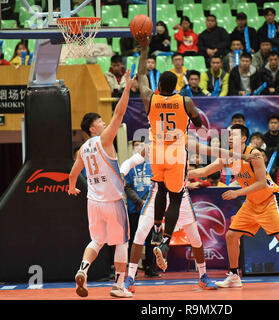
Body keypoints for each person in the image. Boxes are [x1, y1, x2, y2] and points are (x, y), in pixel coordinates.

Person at [188, 124, 279, 289]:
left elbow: (261, 184)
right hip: (251, 202)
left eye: (233, 136)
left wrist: (237, 193)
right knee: (231, 236)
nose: (229, 138)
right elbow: (206, 170)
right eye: (228, 136)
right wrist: (187, 173)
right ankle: (235, 276)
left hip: (268, 200)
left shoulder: (254, 154)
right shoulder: (229, 156)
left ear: (244, 138)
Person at [134, 32, 204, 271]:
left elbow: (141, 75)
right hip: (177, 153)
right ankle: (164, 240)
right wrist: (195, 121)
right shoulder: (185, 101)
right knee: (175, 197)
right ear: (176, 86)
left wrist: (144, 48)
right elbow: (199, 123)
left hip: (158, 151)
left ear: (160, 85)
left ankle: (156, 228)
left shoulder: (150, 98)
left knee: (160, 188)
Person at [67, 70, 134, 298]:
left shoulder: (83, 149)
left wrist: (72, 186)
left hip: (93, 202)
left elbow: (73, 173)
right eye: (100, 122)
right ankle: (118, 286)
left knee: (96, 240)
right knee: (121, 242)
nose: (105, 123)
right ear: (93, 129)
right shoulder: (104, 140)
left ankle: (82, 269)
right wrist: (126, 88)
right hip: (113, 202)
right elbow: (120, 112)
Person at [124, 167, 218, 292]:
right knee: (140, 233)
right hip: (157, 195)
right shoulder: (157, 148)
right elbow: (138, 157)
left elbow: (203, 169)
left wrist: (231, 156)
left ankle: (203, 276)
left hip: (181, 197)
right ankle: (130, 278)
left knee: (195, 238)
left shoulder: (182, 150)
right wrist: (123, 170)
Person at [122, 140, 159, 278]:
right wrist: (139, 201)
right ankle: (133, 268)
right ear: (132, 148)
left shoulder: (152, 165)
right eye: (136, 144)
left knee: (151, 239)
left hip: (151, 208)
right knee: (133, 240)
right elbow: (127, 187)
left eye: (141, 144)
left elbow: (156, 185)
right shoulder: (129, 166)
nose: (139, 147)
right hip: (135, 208)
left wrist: (149, 202)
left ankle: (150, 267)